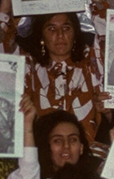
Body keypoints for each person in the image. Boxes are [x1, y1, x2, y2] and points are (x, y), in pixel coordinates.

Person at [7, 12, 106, 143]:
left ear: (75, 33)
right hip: (39, 153)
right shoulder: (28, 68)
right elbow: (5, 42)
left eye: (66, 28)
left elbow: (107, 30)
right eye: (52, 29)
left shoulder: (91, 65)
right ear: (41, 35)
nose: (60, 35)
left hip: (87, 152)